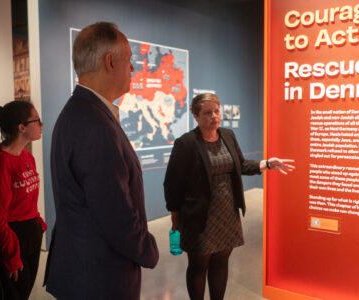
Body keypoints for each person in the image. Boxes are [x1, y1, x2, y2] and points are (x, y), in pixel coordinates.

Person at [44, 22, 159, 299]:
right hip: (100, 279)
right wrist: (149, 249)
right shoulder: (95, 125)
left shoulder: (78, 112)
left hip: (83, 271)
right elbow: (116, 216)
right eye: (129, 59)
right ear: (110, 61)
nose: (132, 68)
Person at [164, 93, 295, 300]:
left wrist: (267, 163)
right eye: (207, 113)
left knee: (221, 261)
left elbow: (240, 165)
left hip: (227, 212)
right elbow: (172, 183)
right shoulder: (186, 143)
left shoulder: (228, 135)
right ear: (196, 116)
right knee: (199, 265)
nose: (214, 116)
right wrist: (175, 216)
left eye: (217, 111)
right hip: (200, 215)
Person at [0, 100, 46, 299]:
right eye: (37, 120)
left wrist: (38, 222)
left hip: (28, 239)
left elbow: (27, 200)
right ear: (21, 127)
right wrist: (12, 256)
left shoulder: (26, 157)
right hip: (10, 246)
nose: (42, 125)